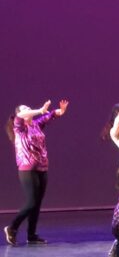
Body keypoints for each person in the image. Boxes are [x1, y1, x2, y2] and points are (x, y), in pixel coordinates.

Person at [3, 99, 69, 246]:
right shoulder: (18, 126)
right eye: (24, 108)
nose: (28, 109)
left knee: (37, 203)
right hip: (27, 168)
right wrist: (39, 110)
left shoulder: (36, 125)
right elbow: (24, 114)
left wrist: (59, 112)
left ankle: (31, 235)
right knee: (31, 202)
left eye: (28, 107)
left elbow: (50, 115)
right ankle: (12, 227)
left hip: (42, 167)